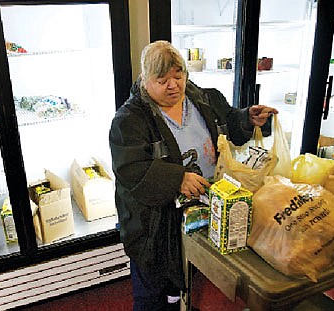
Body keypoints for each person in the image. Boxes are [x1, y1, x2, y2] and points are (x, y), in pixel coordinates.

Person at [108, 40, 278, 311]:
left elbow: (228, 123)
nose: (173, 85)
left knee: (188, 276)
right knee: (154, 289)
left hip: (202, 209)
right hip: (154, 224)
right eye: (162, 80)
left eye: (179, 76)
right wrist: (178, 178)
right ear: (145, 79)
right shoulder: (128, 121)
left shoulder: (205, 98)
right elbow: (132, 170)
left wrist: (247, 118)